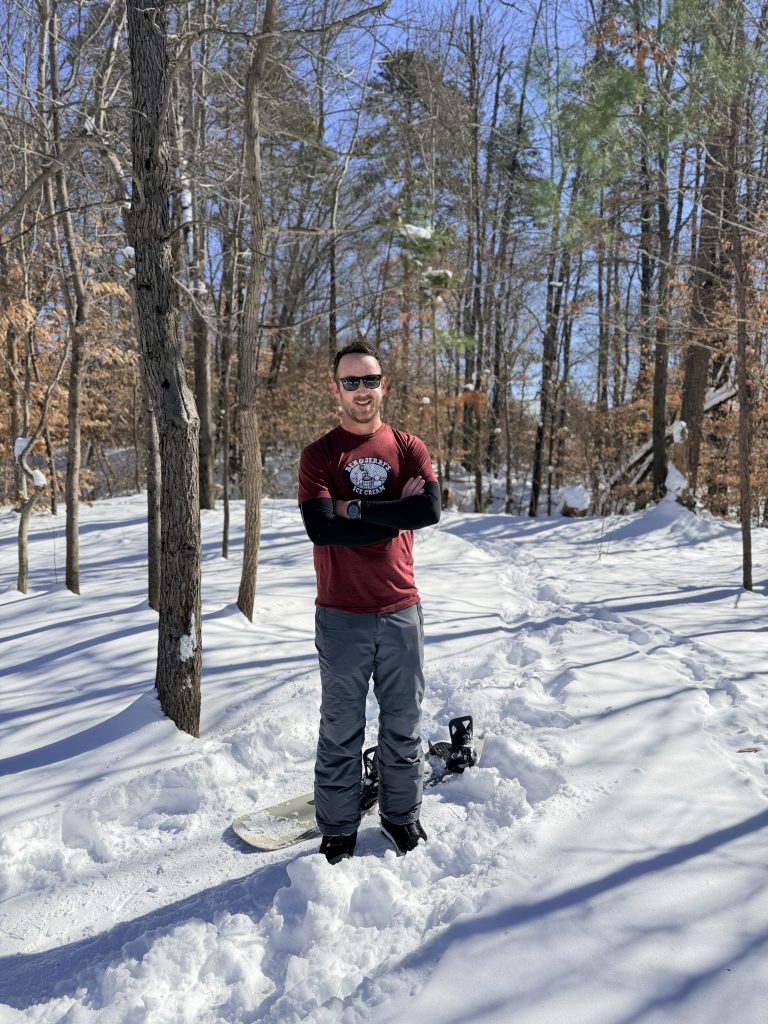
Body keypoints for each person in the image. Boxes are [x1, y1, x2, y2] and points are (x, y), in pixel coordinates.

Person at [298, 340, 441, 863]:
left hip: (401, 609)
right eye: (351, 381)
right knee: (340, 729)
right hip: (341, 614)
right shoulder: (319, 455)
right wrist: (392, 511)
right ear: (335, 389)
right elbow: (321, 529)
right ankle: (338, 828)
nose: (362, 390)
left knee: (404, 723)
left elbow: (427, 511)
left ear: (385, 386)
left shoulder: (408, 447)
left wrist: (353, 509)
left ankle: (401, 816)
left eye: (370, 380)